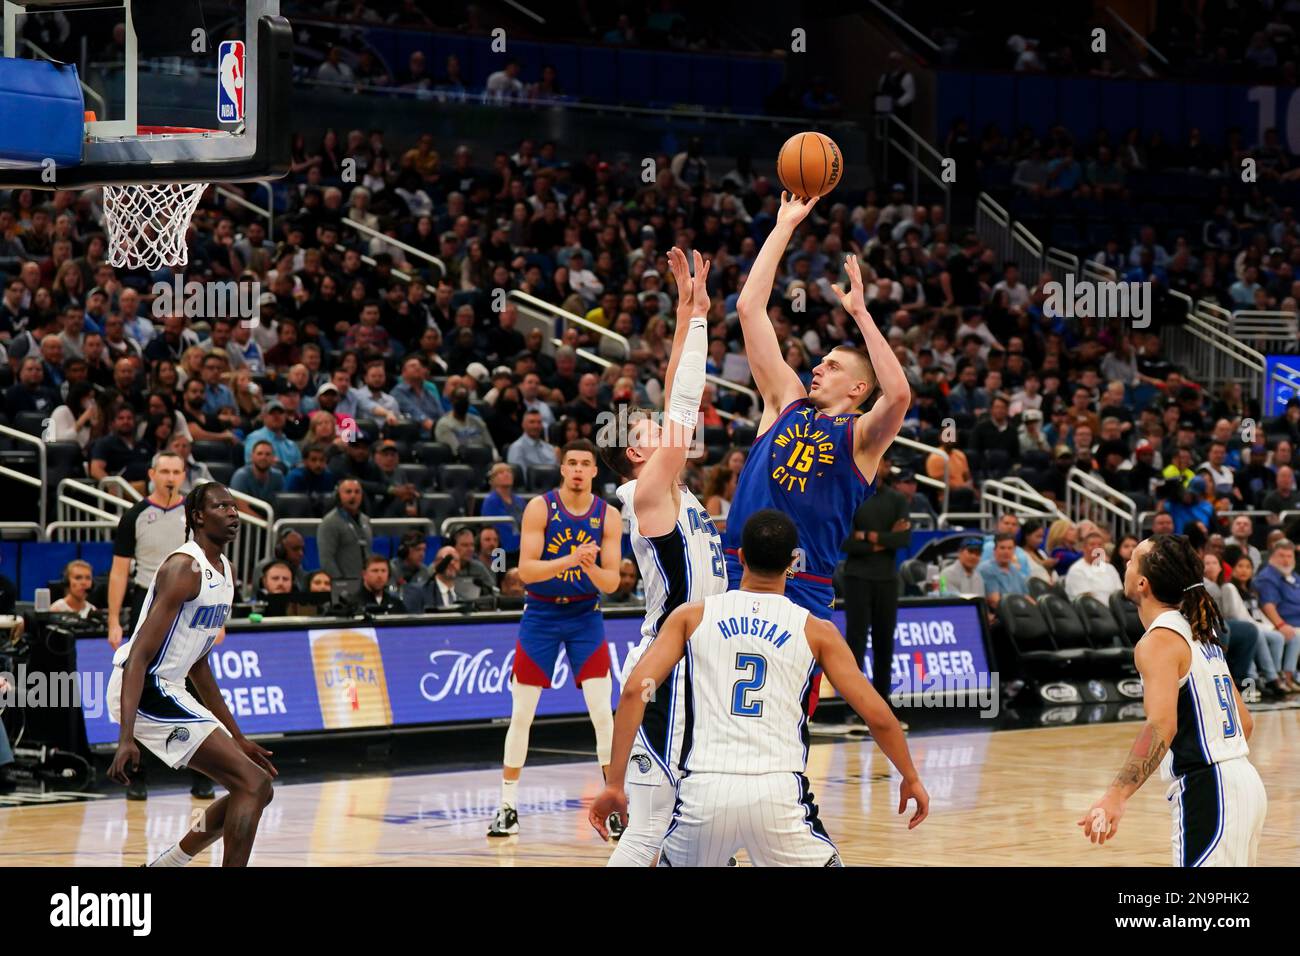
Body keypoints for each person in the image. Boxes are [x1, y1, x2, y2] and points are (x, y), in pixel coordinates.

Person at [590, 509, 929, 865]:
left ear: (738, 557)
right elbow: (877, 717)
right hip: (778, 793)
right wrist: (910, 776)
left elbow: (635, 692)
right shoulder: (817, 631)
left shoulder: (691, 617)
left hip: (704, 792)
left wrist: (614, 783)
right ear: (793, 562)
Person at [724, 200, 909, 712]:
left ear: (856, 387)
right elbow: (748, 309)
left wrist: (862, 316)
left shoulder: (862, 437)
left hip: (802, 582)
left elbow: (898, 396)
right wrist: (783, 226)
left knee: (786, 715)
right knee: (717, 706)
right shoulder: (785, 401)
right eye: (820, 362)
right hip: (734, 570)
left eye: (830, 365)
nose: (818, 369)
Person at [595, 247, 729, 863]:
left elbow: (675, 396)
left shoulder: (675, 490)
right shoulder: (646, 494)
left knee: (706, 829)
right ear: (637, 456)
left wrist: (685, 311)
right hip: (672, 665)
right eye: (645, 432)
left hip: (705, 663)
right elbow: (682, 406)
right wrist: (699, 323)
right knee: (650, 830)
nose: (664, 431)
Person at [106, 482, 277, 867]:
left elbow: (198, 662)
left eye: (235, 507)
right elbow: (138, 657)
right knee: (253, 784)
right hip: (145, 685)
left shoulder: (226, 571)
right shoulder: (184, 567)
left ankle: (165, 865)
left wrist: (238, 737)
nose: (233, 514)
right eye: (222, 507)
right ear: (198, 516)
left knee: (255, 788)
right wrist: (125, 738)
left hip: (171, 686)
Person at [1080, 534, 1266, 867]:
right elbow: (1245, 723)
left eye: (1133, 558)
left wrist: (1116, 796)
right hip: (1244, 783)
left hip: (1211, 790)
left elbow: (1161, 725)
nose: (1125, 562)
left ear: (1142, 583)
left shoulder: (1159, 641)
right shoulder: (1198, 632)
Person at [487, 439, 623, 838]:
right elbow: (525, 572)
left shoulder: (608, 516)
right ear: (562, 469)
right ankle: (507, 807)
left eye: (586, 463)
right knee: (522, 713)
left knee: (602, 713)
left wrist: (589, 567)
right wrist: (570, 559)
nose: (579, 469)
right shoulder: (539, 508)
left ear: (595, 471)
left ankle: (614, 805)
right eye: (572, 463)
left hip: (585, 614)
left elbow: (612, 582)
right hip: (542, 615)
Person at [841, 463, 912, 713]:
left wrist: (867, 536)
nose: (878, 463)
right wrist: (884, 539)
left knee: (885, 642)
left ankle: (881, 703)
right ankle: (853, 705)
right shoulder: (852, 493)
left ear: (888, 465)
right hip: (857, 577)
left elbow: (903, 539)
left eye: (883, 459)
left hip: (887, 579)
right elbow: (846, 542)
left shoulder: (897, 499)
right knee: (855, 643)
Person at [317, 479, 373, 585]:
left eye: (357, 492)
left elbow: (368, 551)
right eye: (348, 492)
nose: (353, 496)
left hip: (365, 583)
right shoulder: (330, 522)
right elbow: (326, 560)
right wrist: (341, 582)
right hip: (344, 584)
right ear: (338, 495)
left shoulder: (365, 520)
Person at [1064, 530, 1124, 601]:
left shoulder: (1110, 568)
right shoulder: (1077, 570)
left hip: (1115, 608)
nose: (1096, 548)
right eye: (1092, 544)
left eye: (1099, 545)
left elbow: (1119, 593)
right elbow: (1086, 600)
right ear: (1083, 548)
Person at [978, 533, 1032, 612]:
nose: (1006, 552)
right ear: (995, 550)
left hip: (1021, 613)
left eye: (1010, 548)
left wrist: (1036, 611)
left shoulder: (1015, 570)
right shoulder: (986, 569)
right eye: (1002, 548)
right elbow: (995, 602)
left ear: (1014, 551)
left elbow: (1026, 597)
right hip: (1004, 616)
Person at [230, 439, 285, 511]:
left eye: (268, 454)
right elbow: (242, 508)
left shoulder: (278, 476)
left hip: (269, 517)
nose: (263, 457)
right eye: (259, 453)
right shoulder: (241, 476)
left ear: (273, 458)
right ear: (252, 456)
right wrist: (269, 522)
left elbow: (282, 504)